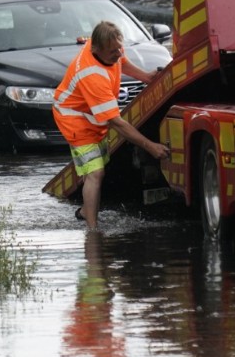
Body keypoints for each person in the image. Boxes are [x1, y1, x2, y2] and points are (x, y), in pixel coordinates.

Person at [53, 21, 170, 230]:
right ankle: (92, 230)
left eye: (119, 47)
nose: (117, 53)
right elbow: (117, 123)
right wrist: (150, 147)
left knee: (99, 165)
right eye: (112, 51)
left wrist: (145, 76)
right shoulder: (92, 75)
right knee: (95, 172)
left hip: (93, 115)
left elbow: (122, 61)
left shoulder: (107, 44)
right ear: (97, 49)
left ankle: (83, 211)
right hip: (74, 120)